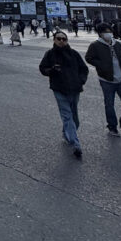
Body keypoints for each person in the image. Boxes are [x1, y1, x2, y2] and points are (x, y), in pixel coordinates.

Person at [39, 30, 88, 159]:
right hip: (59, 89)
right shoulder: (50, 54)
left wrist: (81, 80)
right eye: (59, 39)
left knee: (74, 117)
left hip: (74, 89)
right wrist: (52, 70)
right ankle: (75, 144)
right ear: (54, 40)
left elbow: (84, 69)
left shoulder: (74, 54)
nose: (61, 41)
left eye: (64, 39)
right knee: (67, 116)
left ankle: (67, 133)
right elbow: (43, 68)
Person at [85, 23, 121, 136]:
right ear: (100, 34)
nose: (108, 34)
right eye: (105, 32)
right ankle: (112, 126)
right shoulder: (95, 45)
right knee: (109, 104)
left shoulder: (118, 44)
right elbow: (88, 58)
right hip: (106, 80)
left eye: (109, 31)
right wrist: (101, 65)